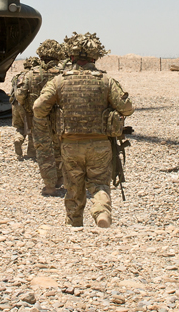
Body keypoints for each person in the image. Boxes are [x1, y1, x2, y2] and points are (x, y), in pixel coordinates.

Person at [34, 32, 134, 227]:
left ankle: (74, 223)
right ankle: (101, 211)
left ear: (71, 57)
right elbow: (127, 108)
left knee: (73, 185)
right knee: (99, 182)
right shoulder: (106, 81)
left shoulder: (59, 81)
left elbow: (38, 108)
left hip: (70, 144)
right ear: (94, 57)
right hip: (100, 143)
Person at [15, 39, 68, 196]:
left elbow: (20, 96)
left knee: (44, 153)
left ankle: (49, 186)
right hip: (60, 121)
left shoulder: (30, 75)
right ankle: (59, 180)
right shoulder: (64, 75)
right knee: (59, 150)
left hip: (38, 120)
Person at [10, 57, 40, 160]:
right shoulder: (32, 76)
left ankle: (18, 139)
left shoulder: (17, 76)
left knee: (20, 127)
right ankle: (31, 153)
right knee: (32, 128)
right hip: (25, 105)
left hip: (15, 105)